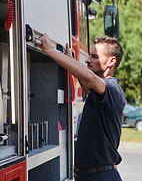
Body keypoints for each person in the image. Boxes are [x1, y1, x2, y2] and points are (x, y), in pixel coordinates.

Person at [38, 34, 126, 181]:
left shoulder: (113, 89)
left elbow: (89, 78)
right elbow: (87, 85)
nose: (87, 59)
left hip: (101, 177)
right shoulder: (99, 94)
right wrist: (70, 60)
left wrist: (49, 50)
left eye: (94, 56)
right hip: (91, 176)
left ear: (111, 61)